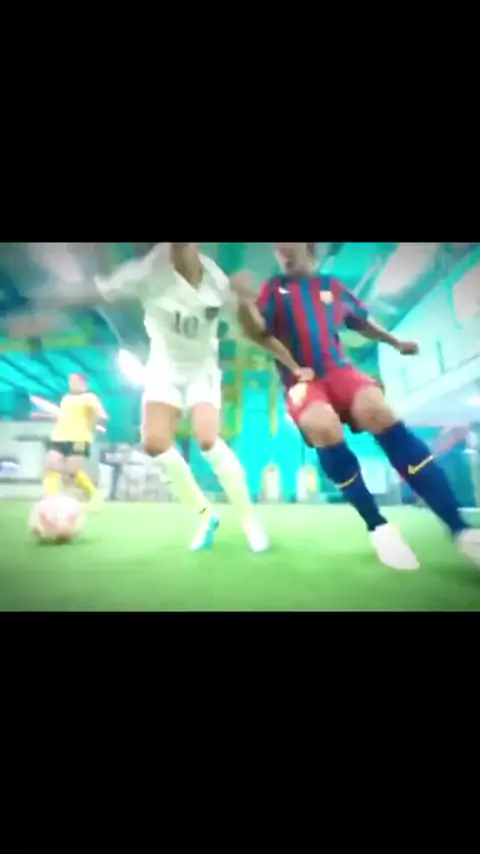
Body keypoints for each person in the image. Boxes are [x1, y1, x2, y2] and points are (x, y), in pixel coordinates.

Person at [27, 242, 311, 552]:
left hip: (201, 370)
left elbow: (256, 333)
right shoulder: (146, 273)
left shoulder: (216, 281)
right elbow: (96, 291)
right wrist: (49, 297)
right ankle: (205, 516)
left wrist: (291, 361)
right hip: (164, 369)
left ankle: (249, 522)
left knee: (207, 439)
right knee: (154, 444)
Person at [235, 241, 480, 570]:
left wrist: (395, 341)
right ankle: (378, 527)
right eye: (277, 248)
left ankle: (461, 529)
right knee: (322, 426)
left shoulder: (331, 287)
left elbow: (361, 321)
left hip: (340, 370)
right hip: (303, 380)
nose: (281, 250)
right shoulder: (274, 289)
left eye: (287, 245)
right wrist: (242, 303)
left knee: (379, 412)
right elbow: (259, 333)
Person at [44, 373, 107, 510]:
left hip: (79, 438)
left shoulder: (90, 397)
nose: (71, 384)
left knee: (73, 472)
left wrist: (91, 424)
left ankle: (95, 494)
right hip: (59, 436)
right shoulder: (66, 398)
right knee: (51, 466)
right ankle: (50, 501)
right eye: (70, 381)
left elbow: (101, 414)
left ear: (83, 383)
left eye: (74, 381)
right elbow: (64, 416)